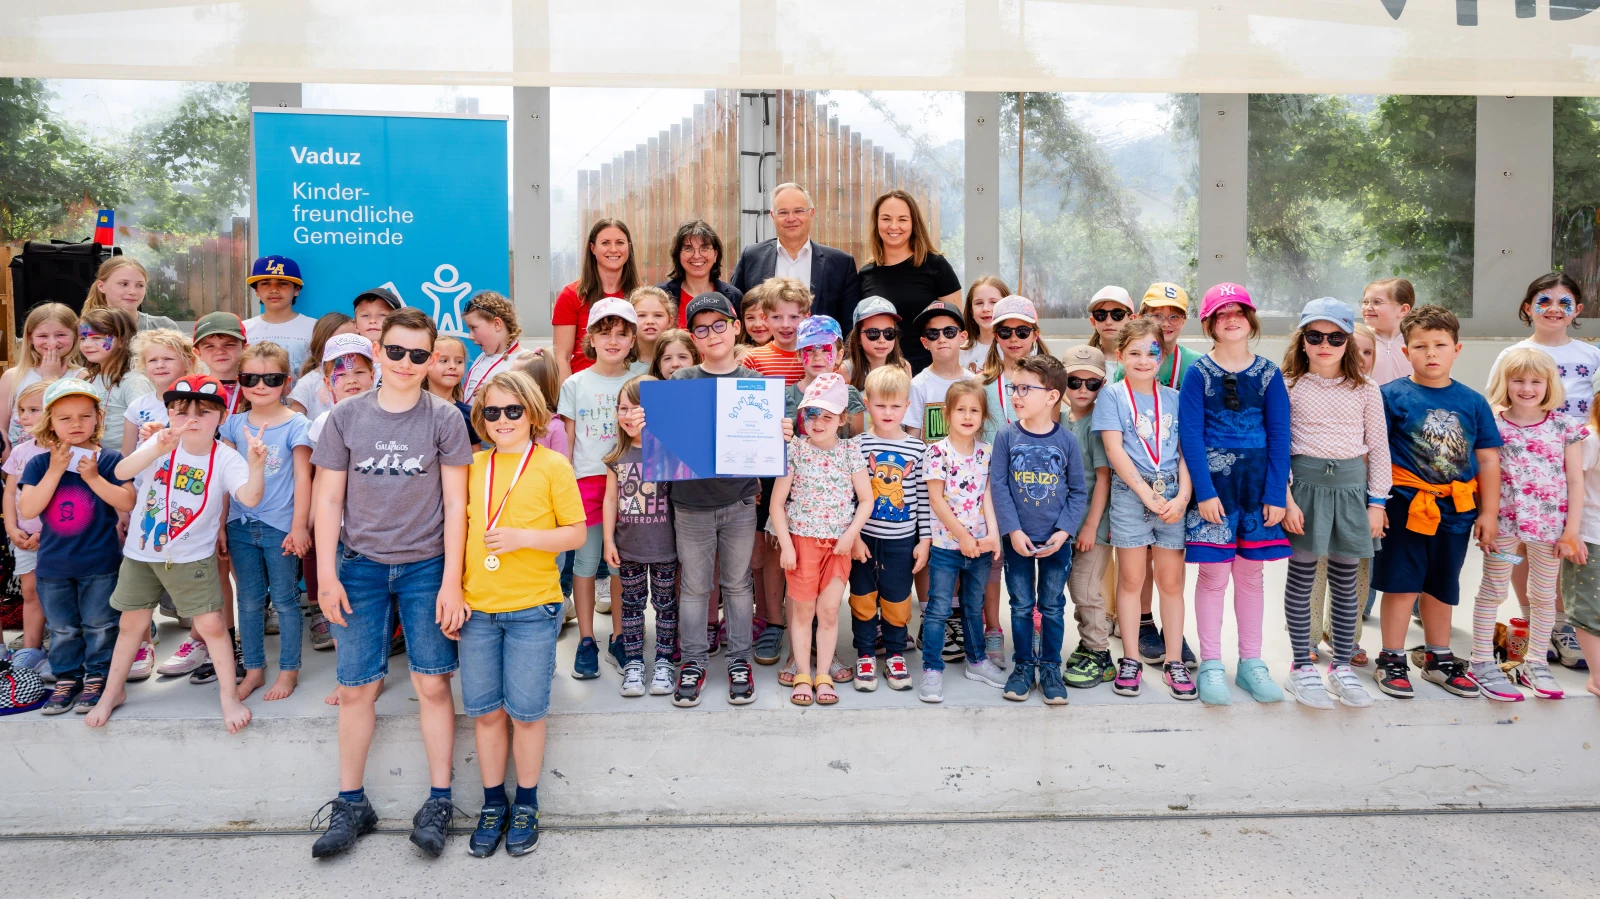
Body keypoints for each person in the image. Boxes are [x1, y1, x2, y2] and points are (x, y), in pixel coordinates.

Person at [309, 307, 474, 860]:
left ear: (432, 360)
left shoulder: (446, 419)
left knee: (432, 683)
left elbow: (457, 504)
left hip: (427, 566)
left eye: (419, 354)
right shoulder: (346, 418)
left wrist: (452, 582)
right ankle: (351, 801)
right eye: (396, 351)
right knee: (357, 687)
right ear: (378, 351)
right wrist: (327, 574)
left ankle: (440, 799)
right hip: (360, 566)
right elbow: (328, 498)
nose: (406, 362)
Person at [90, 374, 267, 731]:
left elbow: (249, 498)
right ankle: (112, 692)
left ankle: (228, 697)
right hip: (142, 553)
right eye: (180, 410)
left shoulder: (225, 456)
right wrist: (156, 448)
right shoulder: (160, 440)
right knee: (131, 624)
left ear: (220, 416)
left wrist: (258, 464)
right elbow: (121, 471)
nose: (192, 419)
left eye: (204, 412)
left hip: (191, 558)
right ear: (168, 412)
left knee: (213, 625)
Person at [459, 370, 586, 859]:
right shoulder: (471, 466)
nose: (503, 420)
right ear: (481, 418)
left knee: (528, 714)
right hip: (479, 610)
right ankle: (494, 803)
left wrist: (523, 539)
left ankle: (527, 803)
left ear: (533, 413)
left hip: (533, 608)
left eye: (513, 410)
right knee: (487, 714)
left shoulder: (552, 465)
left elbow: (575, 534)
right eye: (492, 412)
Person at [624, 293, 762, 708]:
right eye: (701, 329)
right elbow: (665, 441)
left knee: (737, 585)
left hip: (739, 501)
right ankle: (695, 661)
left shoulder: (752, 383)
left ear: (736, 327)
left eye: (720, 324)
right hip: (689, 504)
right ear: (694, 337)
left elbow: (762, 442)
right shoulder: (681, 382)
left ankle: (740, 660)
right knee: (696, 587)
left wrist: (780, 434)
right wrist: (646, 426)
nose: (712, 334)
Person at [1370, 305, 1501, 700]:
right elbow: (1374, 453)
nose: (1431, 353)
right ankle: (1391, 657)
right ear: (1406, 350)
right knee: (1402, 583)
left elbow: (1488, 458)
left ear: (1456, 350)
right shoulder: (1389, 397)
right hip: (1404, 506)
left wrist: (1489, 512)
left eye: (1440, 345)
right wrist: (1373, 503)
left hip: (1457, 509)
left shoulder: (1473, 401)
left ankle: (1438, 657)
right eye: (1420, 345)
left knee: (1443, 583)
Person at [1178, 284, 1291, 706]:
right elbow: (1190, 436)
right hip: (1215, 490)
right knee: (1213, 576)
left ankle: (1251, 663)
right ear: (1208, 323)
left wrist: (1276, 493)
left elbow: (1281, 436)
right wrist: (1204, 492)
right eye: (1220, 313)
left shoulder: (1268, 373)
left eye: (1238, 311)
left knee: (1251, 576)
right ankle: (1210, 663)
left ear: (1250, 320)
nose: (1231, 319)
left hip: (1258, 488)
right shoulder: (1198, 373)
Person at [1485, 273, 1600, 670]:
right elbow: (1495, 403)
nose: (1554, 309)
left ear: (1578, 311)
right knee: (1521, 545)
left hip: (1577, 460)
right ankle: (1533, 618)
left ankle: (1563, 623)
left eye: (1564, 302)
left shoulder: (1591, 355)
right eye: (1544, 300)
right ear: (1528, 307)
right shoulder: (1514, 353)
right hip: (1526, 464)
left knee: (1568, 541)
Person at [1279, 298, 1387, 710]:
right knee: (1302, 576)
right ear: (1302, 341)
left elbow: (1378, 449)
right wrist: (1285, 497)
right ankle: (1300, 667)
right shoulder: (1287, 385)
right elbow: (1279, 446)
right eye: (1315, 336)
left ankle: (1341, 665)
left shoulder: (1366, 390)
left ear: (1347, 342)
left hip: (1351, 491)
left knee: (1346, 579)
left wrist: (1377, 502)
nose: (1325, 344)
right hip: (1303, 490)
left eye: (1336, 337)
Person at [1468, 348, 1585, 702]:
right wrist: (1482, 518)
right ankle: (1481, 661)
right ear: (1506, 382)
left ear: (1549, 385)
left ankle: (1535, 661)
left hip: (1549, 532)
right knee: (1494, 589)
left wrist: (1571, 531)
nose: (1527, 388)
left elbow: (1576, 481)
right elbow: (1481, 472)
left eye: (1536, 381)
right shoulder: (1493, 423)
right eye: (1518, 380)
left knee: (1544, 595)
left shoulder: (1564, 426)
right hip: (1504, 529)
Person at [17, 379, 135, 715]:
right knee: (63, 628)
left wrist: (94, 478)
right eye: (65, 418)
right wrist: (56, 469)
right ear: (50, 421)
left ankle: (98, 676)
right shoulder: (40, 464)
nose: (76, 424)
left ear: (98, 418)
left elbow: (128, 499)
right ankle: (67, 677)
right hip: (54, 565)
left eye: (85, 416)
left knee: (100, 624)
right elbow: (28, 509)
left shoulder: (109, 459)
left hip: (100, 562)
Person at [1096, 317, 1192, 699]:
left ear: (1162, 355)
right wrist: (1144, 493)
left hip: (1171, 495)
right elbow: (1114, 450)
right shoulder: (1112, 395)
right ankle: (1132, 658)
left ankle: (1173, 661)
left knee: (1171, 582)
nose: (1142, 359)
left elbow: (1187, 453)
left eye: (1150, 352)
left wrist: (1183, 497)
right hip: (1130, 493)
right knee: (1132, 580)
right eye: (1133, 352)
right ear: (1120, 356)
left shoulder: (1176, 398)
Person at [770, 374, 873, 707]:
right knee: (802, 611)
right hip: (801, 543)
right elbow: (777, 504)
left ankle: (824, 672)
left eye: (827, 416)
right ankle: (802, 671)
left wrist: (850, 535)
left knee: (828, 611)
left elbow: (866, 500)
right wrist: (786, 545)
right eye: (812, 414)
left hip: (838, 546)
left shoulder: (849, 452)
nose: (818, 422)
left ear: (842, 419)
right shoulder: (796, 450)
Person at [991, 355, 1087, 705]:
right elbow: (998, 486)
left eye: (1024, 389)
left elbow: (1078, 491)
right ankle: (1022, 667)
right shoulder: (1006, 436)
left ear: (1051, 396)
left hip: (1056, 542)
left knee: (1051, 606)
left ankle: (1049, 667)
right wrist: (1012, 531)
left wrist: (1064, 532)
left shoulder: (1067, 441)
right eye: (1013, 387)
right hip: (1017, 539)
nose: (1016, 395)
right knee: (1020, 605)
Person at [221, 342, 314, 702]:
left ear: (287, 382)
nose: (261, 385)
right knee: (248, 600)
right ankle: (256, 669)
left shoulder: (297, 425)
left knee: (287, 600)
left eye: (271, 378)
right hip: (240, 525)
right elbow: (223, 481)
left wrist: (299, 526)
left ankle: (288, 670)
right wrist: (219, 525)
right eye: (250, 377)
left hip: (280, 527)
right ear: (240, 380)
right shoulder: (232, 425)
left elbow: (304, 479)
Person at [159, 311, 249, 684]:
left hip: (254, 502)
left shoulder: (258, 383)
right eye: (209, 345)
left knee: (248, 577)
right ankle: (215, 643)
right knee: (214, 574)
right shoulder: (190, 390)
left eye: (229, 344)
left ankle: (241, 643)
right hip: (207, 502)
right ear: (196, 350)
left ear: (244, 346)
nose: (220, 351)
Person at [557, 298, 637, 678]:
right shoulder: (574, 383)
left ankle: (621, 636)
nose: (613, 340)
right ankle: (587, 638)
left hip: (631, 483)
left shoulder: (640, 380)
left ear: (633, 338)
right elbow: (569, 440)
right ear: (590, 337)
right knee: (587, 564)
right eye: (604, 332)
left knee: (621, 566)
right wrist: (563, 489)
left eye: (622, 333)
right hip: (586, 483)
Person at [920, 379, 1004, 702]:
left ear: (983, 416)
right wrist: (963, 537)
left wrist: (992, 535)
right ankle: (932, 668)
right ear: (947, 413)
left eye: (975, 410)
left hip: (980, 548)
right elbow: (937, 501)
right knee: (939, 608)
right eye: (960, 410)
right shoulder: (937, 452)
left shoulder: (986, 452)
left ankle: (977, 660)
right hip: (947, 548)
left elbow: (987, 496)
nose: (967, 416)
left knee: (974, 605)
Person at [848, 365, 929, 691]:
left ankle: (895, 653)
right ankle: (866, 653)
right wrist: (852, 538)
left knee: (897, 600)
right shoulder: (857, 446)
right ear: (867, 403)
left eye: (895, 406)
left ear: (907, 406)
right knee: (863, 597)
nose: (887, 412)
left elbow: (924, 499)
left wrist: (924, 541)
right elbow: (849, 497)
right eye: (880, 405)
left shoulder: (917, 449)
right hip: (864, 540)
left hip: (901, 541)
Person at [603, 375, 679, 698]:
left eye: (638, 408)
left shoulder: (667, 451)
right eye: (623, 408)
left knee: (665, 605)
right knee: (631, 606)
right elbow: (609, 500)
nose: (629, 415)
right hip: (629, 547)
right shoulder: (617, 453)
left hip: (664, 548)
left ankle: (664, 660)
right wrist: (608, 541)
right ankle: (633, 662)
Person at [302, 334, 378, 660]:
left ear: (374, 375)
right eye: (341, 373)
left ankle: (373, 664)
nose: (351, 380)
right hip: (338, 530)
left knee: (372, 602)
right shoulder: (323, 422)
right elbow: (319, 479)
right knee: (339, 600)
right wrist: (307, 524)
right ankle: (346, 666)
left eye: (359, 372)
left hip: (375, 529)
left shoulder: (386, 415)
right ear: (327, 381)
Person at [1060, 345, 1117, 689]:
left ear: (1102, 383)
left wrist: (1092, 526)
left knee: (1085, 588)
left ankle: (1100, 654)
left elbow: (1104, 477)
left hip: (1093, 525)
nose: (1082, 389)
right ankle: (1087, 643)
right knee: (1076, 587)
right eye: (1074, 381)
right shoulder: (1060, 417)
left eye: (1091, 384)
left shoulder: (1099, 423)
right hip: (1068, 523)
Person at [858, 190, 962, 372]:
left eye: (902, 219)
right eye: (886, 218)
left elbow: (956, 324)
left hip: (929, 370)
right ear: (876, 223)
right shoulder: (866, 274)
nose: (894, 226)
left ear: (914, 223)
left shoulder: (936, 265)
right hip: (880, 374)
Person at [728, 182, 861, 324]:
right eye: (783, 212)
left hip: (820, 346)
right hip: (762, 346)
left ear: (811, 213)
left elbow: (850, 325)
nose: (791, 218)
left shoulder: (841, 264)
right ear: (773, 216)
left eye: (798, 211)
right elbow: (734, 310)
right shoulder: (751, 257)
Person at [2, 381, 50, 677]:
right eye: (21, 410)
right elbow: (9, 493)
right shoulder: (20, 451)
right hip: (22, 537)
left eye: (34, 410)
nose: (23, 417)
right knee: (30, 592)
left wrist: (46, 532)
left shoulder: (67, 453)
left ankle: (62, 645)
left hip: (57, 537)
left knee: (60, 592)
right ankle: (31, 649)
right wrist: (11, 527)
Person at [554, 218, 639, 381]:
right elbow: (562, 358)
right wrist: (566, 399)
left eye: (620, 242)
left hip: (630, 390)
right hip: (583, 389)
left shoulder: (640, 296)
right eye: (605, 243)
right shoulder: (571, 295)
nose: (613, 249)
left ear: (629, 247)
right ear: (592, 248)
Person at [1560, 394, 1600, 698]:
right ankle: (1597, 676)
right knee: (1589, 607)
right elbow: (1572, 484)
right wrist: (1573, 534)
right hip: (1591, 536)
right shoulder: (1591, 439)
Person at [75, 307, 153, 459]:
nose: (86, 344)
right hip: (96, 462)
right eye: (83, 338)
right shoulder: (89, 380)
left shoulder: (133, 382)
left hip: (124, 464)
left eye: (96, 338)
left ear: (122, 341)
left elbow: (145, 428)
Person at [1, 303, 77, 450]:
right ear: (30, 338)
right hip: (20, 464)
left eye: (60, 335)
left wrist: (50, 380)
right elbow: (1, 428)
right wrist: (8, 462)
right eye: (43, 336)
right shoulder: (12, 376)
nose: (52, 343)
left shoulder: (82, 376)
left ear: (75, 335)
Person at [979, 296, 1051, 443]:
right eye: (1005, 332)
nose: (1013, 338)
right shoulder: (980, 383)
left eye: (1022, 332)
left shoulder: (1048, 381)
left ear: (1035, 335)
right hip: (991, 464)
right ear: (996, 336)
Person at [904, 301, 975, 441]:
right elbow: (913, 440)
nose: (941, 339)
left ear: (962, 337)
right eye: (933, 333)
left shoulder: (974, 383)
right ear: (925, 342)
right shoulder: (917, 385)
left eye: (949, 332)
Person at [122, 330, 200, 457]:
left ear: (188, 362)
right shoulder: (137, 406)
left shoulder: (200, 404)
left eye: (168, 359)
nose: (160, 365)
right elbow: (126, 455)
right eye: (152, 360)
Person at [784, 316, 864, 436]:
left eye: (826, 350)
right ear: (799, 355)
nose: (817, 357)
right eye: (809, 350)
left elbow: (858, 442)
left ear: (839, 355)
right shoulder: (787, 397)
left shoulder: (849, 395)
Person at [658, 220, 743, 328]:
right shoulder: (662, 295)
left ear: (715, 254)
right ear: (678, 255)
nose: (697, 256)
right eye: (688, 248)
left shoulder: (734, 296)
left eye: (704, 248)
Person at [242, 255, 317, 374]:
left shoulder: (314, 327)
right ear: (256, 290)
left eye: (282, 283)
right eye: (265, 283)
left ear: (296, 290)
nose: (274, 290)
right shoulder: (244, 328)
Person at [80, 257, 179, 332]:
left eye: (140, 285)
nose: (132, 291)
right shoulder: (87, 328)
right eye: (124, 284)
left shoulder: (163, 327)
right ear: (101, 286)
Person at [743, 277, 810, 386]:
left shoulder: (816, 356)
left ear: (806, 318)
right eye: (776, 317)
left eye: (793, 317)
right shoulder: (754, 359)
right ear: (766, 318)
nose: (785, 325)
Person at [288, 312, 355, 421]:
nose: (346, 348)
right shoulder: (307, 383)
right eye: (338, 342)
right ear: (321, 344)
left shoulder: (365, 376)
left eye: (353, 341)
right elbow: (292, 423)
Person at [461, 291, 523, 404]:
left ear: (497, 324)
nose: (470, 336)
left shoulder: (525, 362)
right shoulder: (482, 357)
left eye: (473, 328)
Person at [428, 335, 480, 448]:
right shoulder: (413, 408)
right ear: (427, 363)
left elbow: (476, 458)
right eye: (443, 360)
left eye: (459, 361)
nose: (452, 366)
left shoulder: (469, 414)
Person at [1361, 277, 1414, 386]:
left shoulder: (1417, 341)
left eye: (1377, 302)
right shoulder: (1358, 339)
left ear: (1403, 310)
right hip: (1369, 402)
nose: (1368, 307)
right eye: (1365, 302)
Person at [959, 276, 1008, 373]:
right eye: (979, 303)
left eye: (993, 302)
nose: (986, 308)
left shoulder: (1018, 346)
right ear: (971, 311)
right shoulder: (961, 350)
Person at [1086, 286, 1135, 380]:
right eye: (1100, 315)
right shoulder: (1081, 361)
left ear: (1131, 320)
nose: (1108, 321)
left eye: (1117, 314)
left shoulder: (1144, 361)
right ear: (1093, 322)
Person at [630, 286, 676, 365]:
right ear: (630, 320)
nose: (650, 321)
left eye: (658, 315)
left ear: (670, 321)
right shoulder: (619, 360)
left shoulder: (679, 360)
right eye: (642, 315)